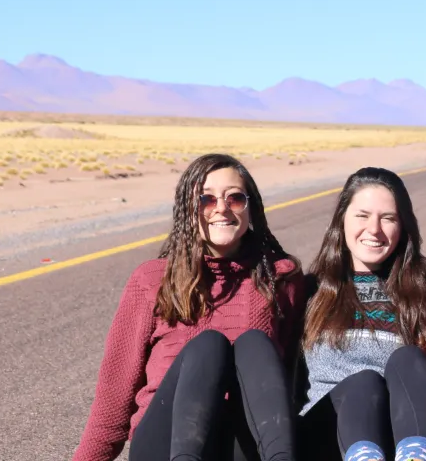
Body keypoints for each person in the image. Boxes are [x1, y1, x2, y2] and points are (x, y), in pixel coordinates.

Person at [73, 153, 309, 461]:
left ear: (251, 207)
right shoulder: (152, 280)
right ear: (188, 208)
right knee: (208, 347)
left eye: (235, 198)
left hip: (241, 444)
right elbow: (113, 399)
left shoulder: (279, 278)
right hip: (165, 442)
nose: (222, 208)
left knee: (255, 345)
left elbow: (289, 378)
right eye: (206, 199)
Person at [295, 166, 426, 461]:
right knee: (363, 382)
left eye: (388, 218)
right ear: (341, 219)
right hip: (327, 438)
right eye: (362, 216)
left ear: (403, 226)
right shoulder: (310, 292)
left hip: (406, 438)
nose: (374, 229)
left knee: (409, 358)